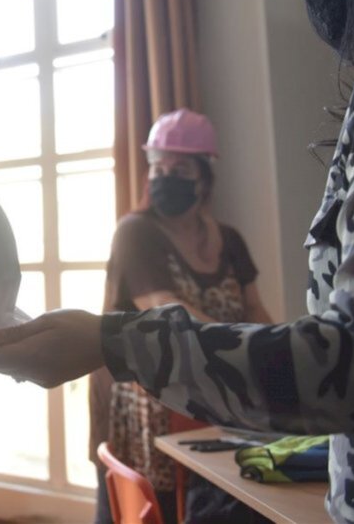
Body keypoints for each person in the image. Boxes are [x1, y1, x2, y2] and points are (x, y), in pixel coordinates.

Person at [0, 0, 354, 522]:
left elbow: (347, 351)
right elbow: (181, 311)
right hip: (175, 406)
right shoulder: (138, 232)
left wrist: (106, 339)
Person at [88, 108, 272, 523]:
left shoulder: (230, 240)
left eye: (181, 167)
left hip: (218, 403)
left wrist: (282, 355)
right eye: (158, 166)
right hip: (148, 407)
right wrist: (250, 353)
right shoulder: (135, 232)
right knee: (158, 508)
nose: (165, 176)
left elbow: (255, 309)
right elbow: (164, 309)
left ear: (204, 178)